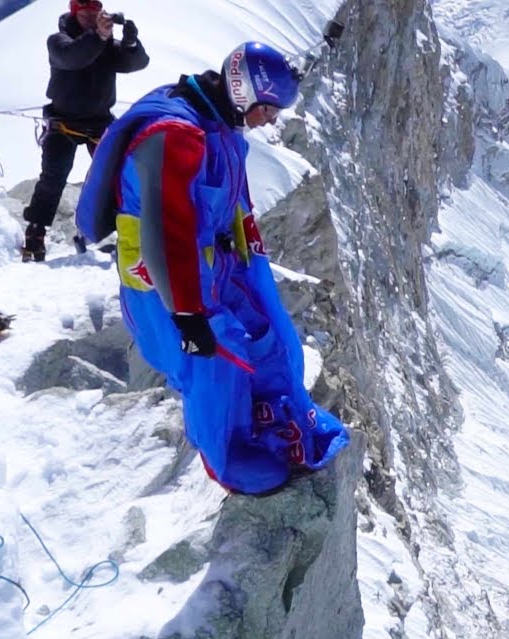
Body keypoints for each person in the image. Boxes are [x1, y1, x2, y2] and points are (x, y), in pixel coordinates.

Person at [75, 42, 348, 495]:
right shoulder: (180, 135)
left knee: (266, 341)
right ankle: (228, 457)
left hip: (212, 268)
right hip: (167, 282)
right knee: (214, 362)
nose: (271, 119)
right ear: (244, 93)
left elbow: (221, 203)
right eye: (268, 108)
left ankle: (268, 418)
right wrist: (186, 313)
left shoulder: (214, 119)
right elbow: (167, 232)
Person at [21, 0, 149, 262]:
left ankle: (128, 230)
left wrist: (131, 45)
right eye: (86, 12)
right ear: (74, 13)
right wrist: (100, 36)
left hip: (98, 121)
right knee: (53, 177)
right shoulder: (58, 41)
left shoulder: (102, 44)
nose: (91, 17)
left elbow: (135, 63)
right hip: (63, 121)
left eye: (95, 12)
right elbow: (73, 57)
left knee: (118, 176)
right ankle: (36, 231)